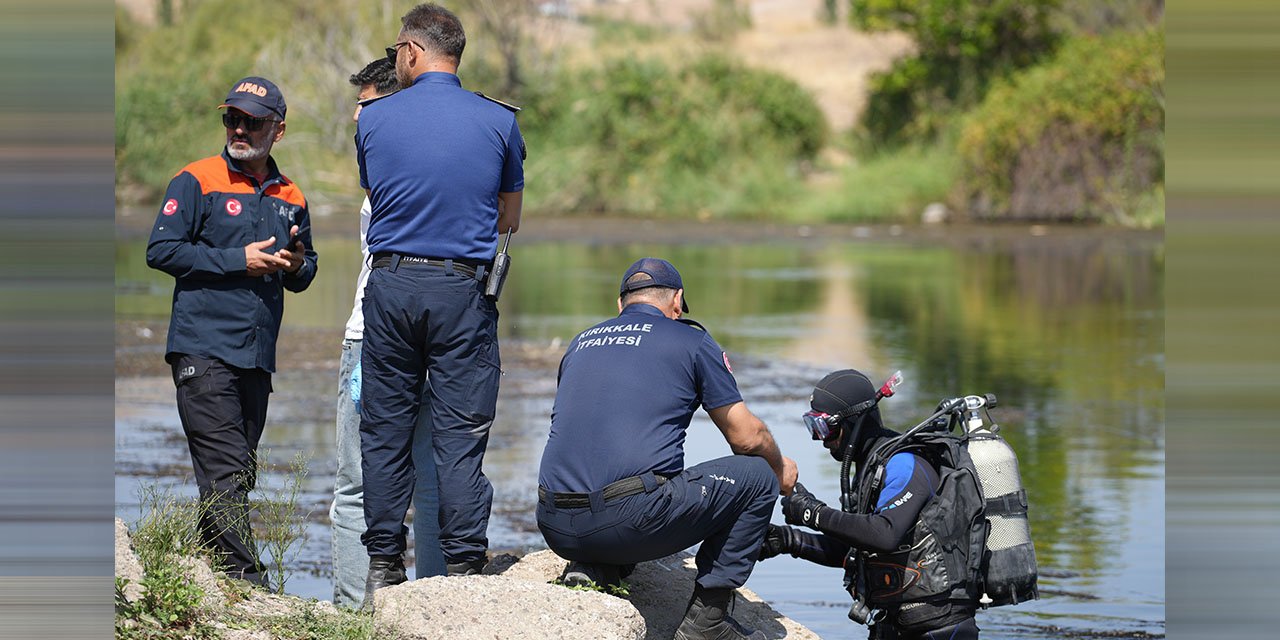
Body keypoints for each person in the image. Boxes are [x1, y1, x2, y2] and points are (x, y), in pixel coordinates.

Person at [354, 3, 525, 607]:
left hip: (393, 285)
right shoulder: (500, 122)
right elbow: (509, 217)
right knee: (460, 434)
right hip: (462, 291)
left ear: (410, 51)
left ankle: (382, 568)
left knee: (385, 430)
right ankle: (463, 570)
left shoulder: (373, 121)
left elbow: (380, 195)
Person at [537, 257, 799, 640]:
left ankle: (596, 566)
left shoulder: (581, 340)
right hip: (625, 520)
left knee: (618, 470)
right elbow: (746, 437)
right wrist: (780, 468)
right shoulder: (691, 340)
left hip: (554, 524)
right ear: (677, 301)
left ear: (620, 303)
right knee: (757, 475)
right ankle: (706, 624)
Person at [145, 76, 318, 588]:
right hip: (202, 347)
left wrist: (295, 263)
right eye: (232, 119)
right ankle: (247, 583)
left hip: (256, 356)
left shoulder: (292, 195)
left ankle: (204, 574)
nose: (239, 129)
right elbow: (161, 251)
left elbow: (304, 275)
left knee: (238, 474)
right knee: (224, 473)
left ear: (278, 131)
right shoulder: (195, 179)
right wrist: (236, 261)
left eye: (252, 121)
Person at [330, 57, 447, 610]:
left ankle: (358, 610)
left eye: (368, 103)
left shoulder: (385, 163)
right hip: (434, 336)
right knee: (429, 480)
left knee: (359, 482)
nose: (358, 114)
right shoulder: (439, 163)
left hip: (373, 338)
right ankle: (433, 608)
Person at [760, 369, 981, 639]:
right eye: (812, 427)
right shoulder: (871, 467)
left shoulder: (904, 463)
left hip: (939, 628)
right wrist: (788, 540)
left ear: (853, 422)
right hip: (899, 624)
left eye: (825, 428)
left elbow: (884, 535)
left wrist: (812, 513)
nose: (820, 440)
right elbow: (859, 549)